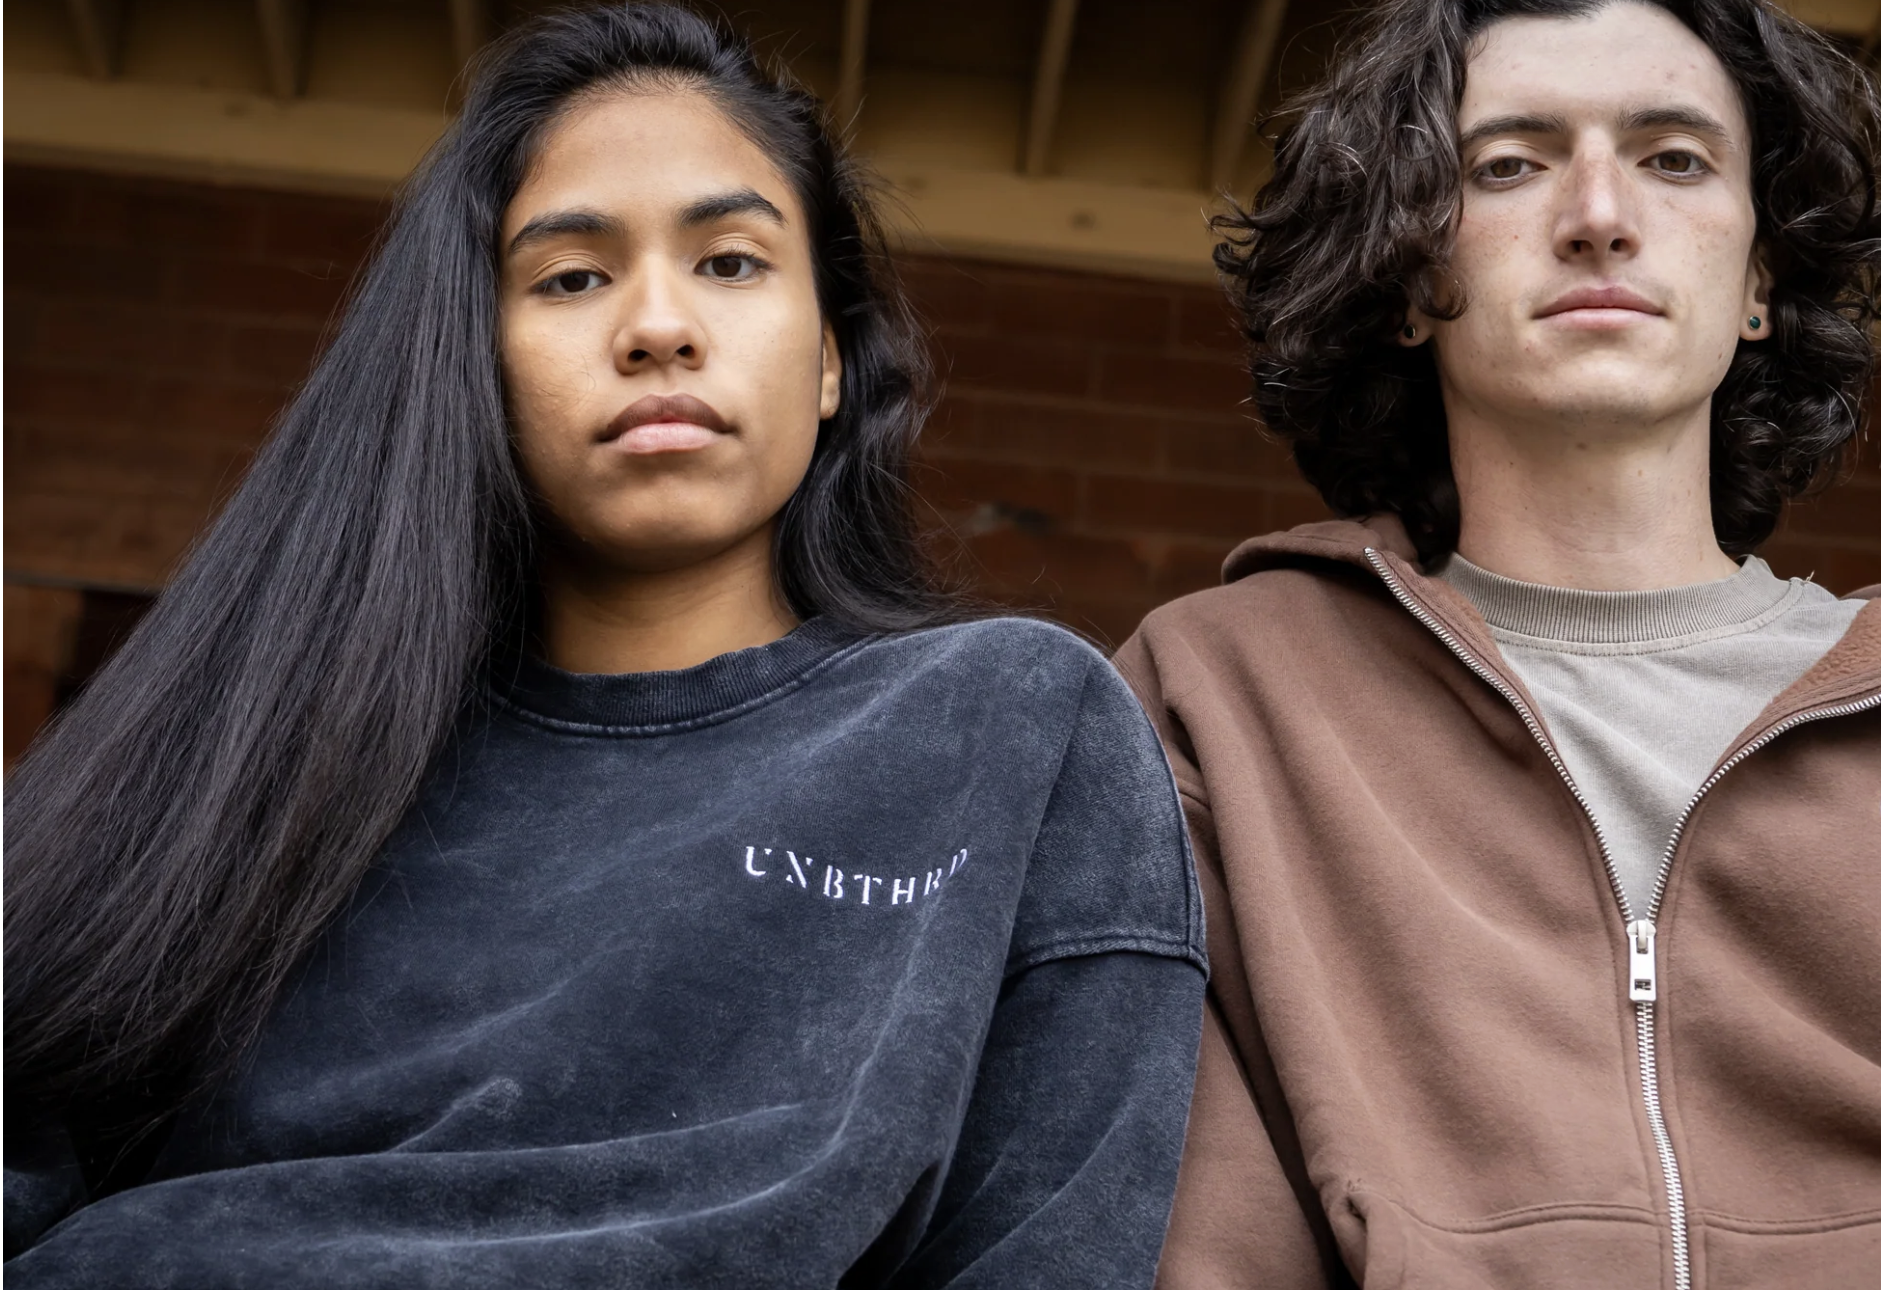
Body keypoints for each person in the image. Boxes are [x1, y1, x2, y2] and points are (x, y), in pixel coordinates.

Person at [2, 8, 1205, 1285]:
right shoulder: (268, 756)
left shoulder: (1010, 726)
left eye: (730, 261)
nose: (657, 327)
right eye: (572, 277)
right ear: (477, 362)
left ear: (829, 362)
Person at [1115, 1, 1881, 1286]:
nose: (1600, 215)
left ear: (1760, 282)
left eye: (1674, 158)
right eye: (1508, 165)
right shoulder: (1218, 699)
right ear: (1410, 281)